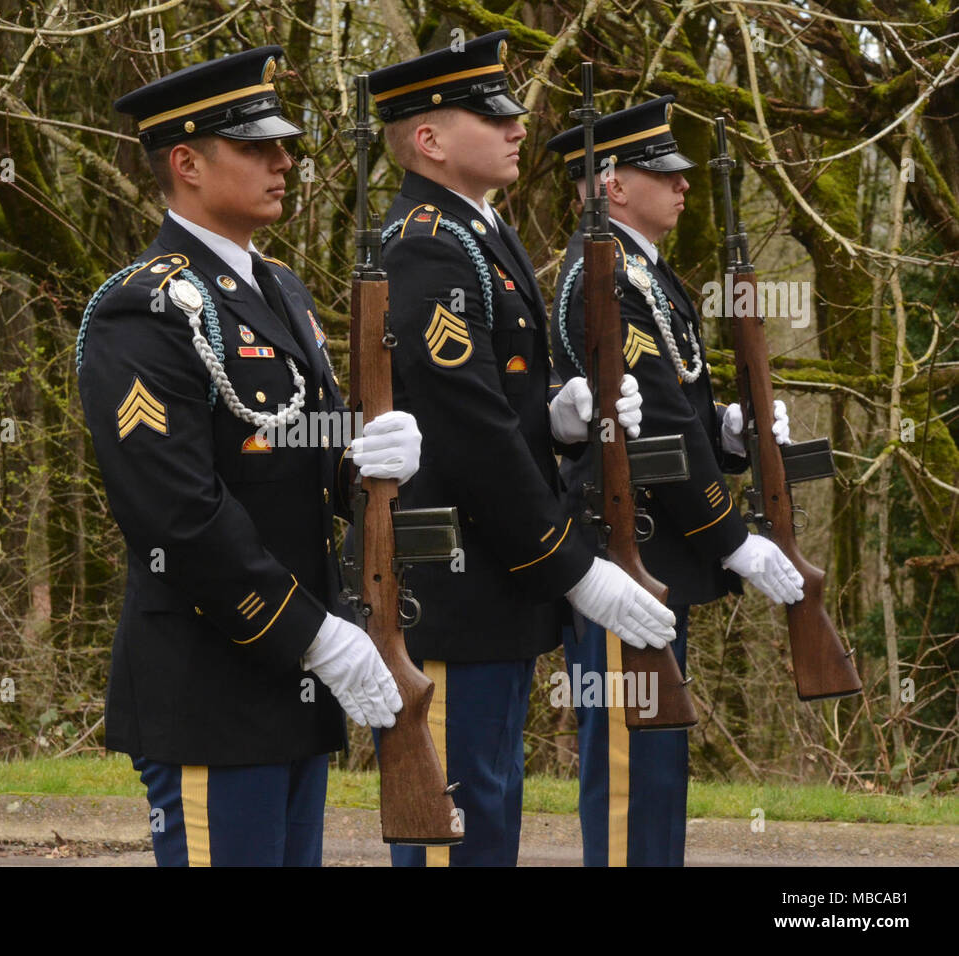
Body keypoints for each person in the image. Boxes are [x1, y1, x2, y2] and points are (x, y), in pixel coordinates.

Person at [77, 46, 425, 867]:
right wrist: (317, 637)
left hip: (293, 688)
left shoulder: (282, 291)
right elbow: (176, 511)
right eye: (257, 147)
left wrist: (368, 461)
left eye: (285, 144)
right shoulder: (146, 307)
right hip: (212, 686)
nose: (284, 160)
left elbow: (298, 454)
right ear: (188, 163)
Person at [366, 32, 676, 867]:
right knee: (460, 819)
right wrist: (574, 565)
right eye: (489, 113)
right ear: (429, 140)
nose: (515, 126)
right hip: (461, 585)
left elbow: (500, 407)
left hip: (494, 588)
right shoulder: (427, 242)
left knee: (492, 805)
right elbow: (468, 433)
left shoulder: (477, 232)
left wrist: (558, 417)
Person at [546, 95, 803, 866]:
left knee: (657, 771)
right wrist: (733, 540)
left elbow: (677, 401)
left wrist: (728, 432)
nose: (683, 186)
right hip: (629, 553)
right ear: (611, 185)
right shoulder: (603, 280)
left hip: (657, 550)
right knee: (633, 771)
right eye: (662, 173)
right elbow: (650, 423)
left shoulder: (645, 275)